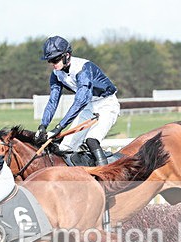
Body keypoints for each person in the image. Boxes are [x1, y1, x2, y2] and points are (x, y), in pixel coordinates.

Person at [36, 36, 120, 166]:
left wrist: (59, 127)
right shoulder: (56, 74)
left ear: (67, 55)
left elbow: (80, 101)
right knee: (65, 148)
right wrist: (43, 126)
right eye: (50, 60)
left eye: (56, 59)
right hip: (89, 107)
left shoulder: (83, 69)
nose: (53, 63)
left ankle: (106, 177)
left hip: (107, 104)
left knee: (91, 140)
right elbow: (53, 100)